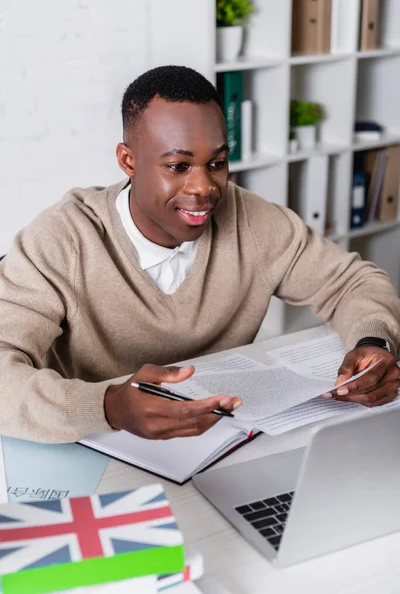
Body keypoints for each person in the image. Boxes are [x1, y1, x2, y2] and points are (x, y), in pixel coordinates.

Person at [0, 65, 399, 444]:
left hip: (221, 441)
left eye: (217, 163)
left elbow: (352, 282)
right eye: (178, 165)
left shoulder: (253, 221)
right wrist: (108, 407)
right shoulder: (62, 239)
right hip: (97, 443)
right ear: (128, 161)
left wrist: (374, 342)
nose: (204, 187)